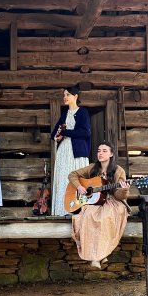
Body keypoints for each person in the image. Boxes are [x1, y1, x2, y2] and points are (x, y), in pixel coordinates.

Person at [70, 141, 130, 268]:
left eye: (104, 151)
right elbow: (72, 175)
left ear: (111, 154)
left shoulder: (119, 171)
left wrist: (124, 190)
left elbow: (120, 196)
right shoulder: (92, 168)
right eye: (98, 151)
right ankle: (100, 256)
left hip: (112, 201)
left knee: (105, 217)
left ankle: (97, 257)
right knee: (88, 216)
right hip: (95, 201)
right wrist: (79, 187)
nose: (100, 153)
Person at [50, 86, 92, 216]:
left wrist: (65, 132)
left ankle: (80, 211)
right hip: (64, 151)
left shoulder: (82, 112)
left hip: (78, 152)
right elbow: (53, 134)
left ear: (75, 96)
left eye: (67, 94)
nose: (65, 97)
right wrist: (58, 136)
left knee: (79, 180)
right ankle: (62, 210)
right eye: (64, 95)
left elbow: (85, 132)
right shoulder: (64, 115)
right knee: (64, 178)